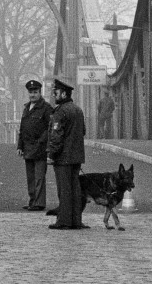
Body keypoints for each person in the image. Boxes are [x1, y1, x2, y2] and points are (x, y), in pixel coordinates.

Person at [46, 77, 87, 230]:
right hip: (77, 157)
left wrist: (52, 155)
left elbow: (56, 136)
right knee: (75, 190)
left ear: (63, 94)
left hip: (63, 158)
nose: (54, 96)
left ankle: (63, 221)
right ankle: (76, 221)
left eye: (55, 92)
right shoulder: (78, 110)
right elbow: (82, 131)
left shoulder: (60, 112)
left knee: (64, 191)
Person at [16, 79, 53, 211]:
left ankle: (39, 203)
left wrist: (41, 142)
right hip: (27, 148)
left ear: (40, 92)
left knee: (39, 177)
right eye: (31, 92)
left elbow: (50, 129)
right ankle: (32, 201)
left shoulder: (46, 108)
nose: (33, 95)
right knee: (30, 178)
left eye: (35, 92)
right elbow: (23, 128)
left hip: (40, 149)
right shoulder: (27, 108)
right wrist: (20, 146)